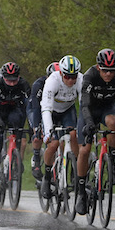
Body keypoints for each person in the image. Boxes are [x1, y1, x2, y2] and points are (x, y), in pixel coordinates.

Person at [77, 48, 115, 196]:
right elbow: (85, 104)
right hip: (89, 110)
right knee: (84, 150)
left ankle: (111, 163)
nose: (108, 74)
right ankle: (81, 191)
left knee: (114, 122)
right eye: (105, 70)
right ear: (98, 67)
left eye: (112, 71)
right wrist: (89, 123)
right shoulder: (89, 75)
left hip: (107, 108)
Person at [40, 55, 84, 212]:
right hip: (51, 112)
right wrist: (48, 131)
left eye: (73, 77)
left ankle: (76, 166)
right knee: (53, 143)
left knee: (73, 135)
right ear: (61, 74)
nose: (70, 81)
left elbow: (84, 105)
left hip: (67, 111)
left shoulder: (81, 79)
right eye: (67, 76)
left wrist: (85, 127)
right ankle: (46, 176)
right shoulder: (52, 81)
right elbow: (46, 108)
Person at [0, 61, 31, 201]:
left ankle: (15, 158)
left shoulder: (23, 84)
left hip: (14, 111)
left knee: (18, 123)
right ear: (3, 77)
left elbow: (30, 107)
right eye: (8, 80)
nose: (11, 83)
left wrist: (31, 125)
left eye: (14, 80)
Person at [27, 62, 57, 181]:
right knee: (39, 133)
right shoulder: (39, 85)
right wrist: (36, 127)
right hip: (36, 108)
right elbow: (36, 108)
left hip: (52, 109)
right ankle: (36, 158)